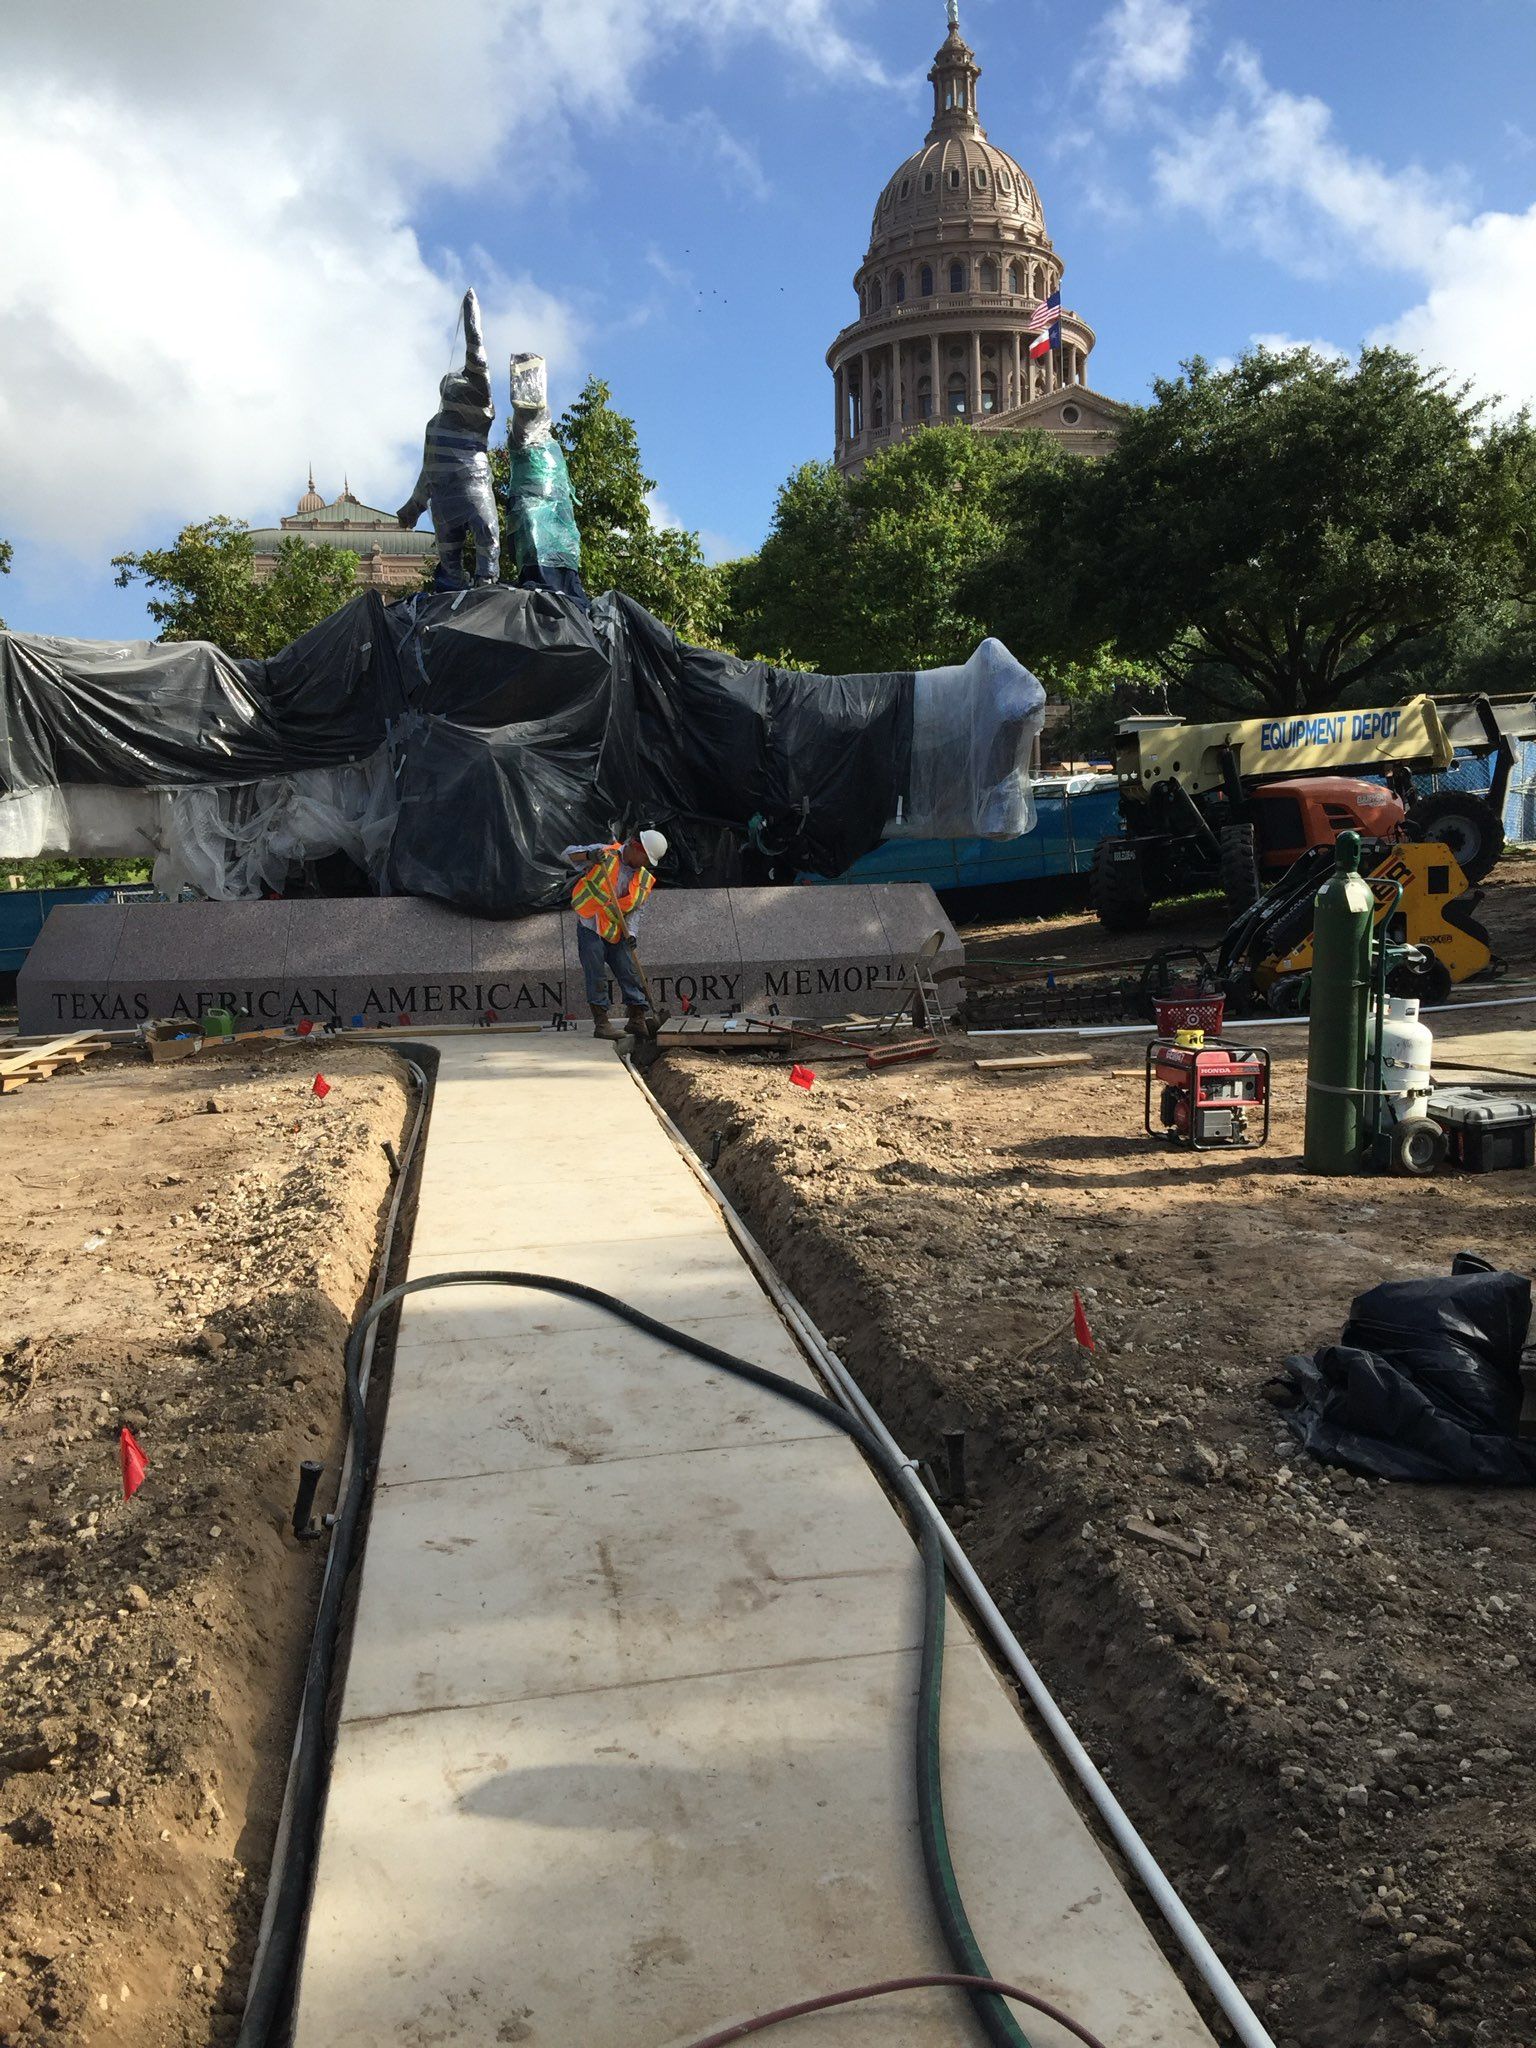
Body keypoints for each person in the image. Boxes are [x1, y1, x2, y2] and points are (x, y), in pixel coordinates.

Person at [397, 288, 499, 590]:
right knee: (463, 551)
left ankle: (481, 586)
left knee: (482, 538)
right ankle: (467, 587)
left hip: (466, 489)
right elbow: (428, 471)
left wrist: (472, 321)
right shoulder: (438, 424)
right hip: (450, 494)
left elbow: (477, 355)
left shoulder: (477, 412)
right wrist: (414, 506)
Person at [563, 830, 669, 1038]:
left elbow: (637, 910)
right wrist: (588, 856)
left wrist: (632, 934)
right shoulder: (604, 854)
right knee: (596, 973)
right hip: (590, 924)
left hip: (615, 929)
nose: (646, 863)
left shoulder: (644, 879)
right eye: (645, 858)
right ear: (636, 847)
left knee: (629, 971)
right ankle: (602, 1023)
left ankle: (637, 1018)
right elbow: (567, 854)